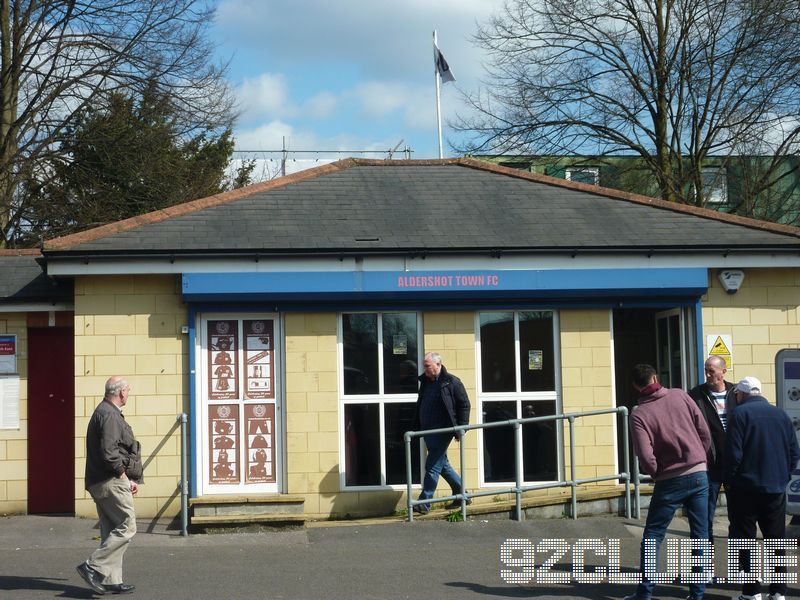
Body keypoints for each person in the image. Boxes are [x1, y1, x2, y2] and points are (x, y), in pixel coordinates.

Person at [624, 364, 711, 600]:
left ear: (635, 385)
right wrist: (698, 457)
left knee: (653, 535)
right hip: (699, 473)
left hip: (669, 479)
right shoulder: (680, 395)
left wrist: (655, 473)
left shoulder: (639, 414)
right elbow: (704, 431)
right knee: (700, 534)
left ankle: (645, 593)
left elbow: (644, 453)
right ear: (655, 377)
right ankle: (697, 594)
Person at [725, 376, 800, 600]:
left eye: (737, 394)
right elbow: (794, 452)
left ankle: (751, 592)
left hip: (745, 490)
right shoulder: (780, 415)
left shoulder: (738, 415)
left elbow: (733, 455)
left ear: (742, 394)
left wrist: (729, 481)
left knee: (745, 541)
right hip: (775, 488)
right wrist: (782, 475)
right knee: (775, 540)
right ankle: (778, 592)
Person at [76, 376, 142, 595]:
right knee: (127, 525)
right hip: (109, 481)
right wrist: (124, 477)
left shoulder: (103, 412)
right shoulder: (110, 415)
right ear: (121, 392)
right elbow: (110, 453)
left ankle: (112, 580)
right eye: (128, 390)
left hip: (100, 481)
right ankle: (92, 567)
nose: (129, 394)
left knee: (111, 530)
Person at [413, 352, 471, 514]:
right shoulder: (425, 382)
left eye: (428, 366)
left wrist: (461, 428)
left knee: (431, 466)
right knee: (442, 465)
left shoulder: (451, 382)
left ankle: (424, 502)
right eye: (424, 365)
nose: (425, 369)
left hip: (443, 431)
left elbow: (464, 405)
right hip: (428, 431)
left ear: (438, 365)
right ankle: (463, 494)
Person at [689, 355, 736, 541]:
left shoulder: (736, 393)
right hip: (709, 464)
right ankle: (704, 563)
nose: (708, 374)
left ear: (723, 372)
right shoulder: (696, 395)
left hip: (734, 465)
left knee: (738, 515)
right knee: (704, 515)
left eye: (712, 370)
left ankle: (740, 564)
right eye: (706, 370)